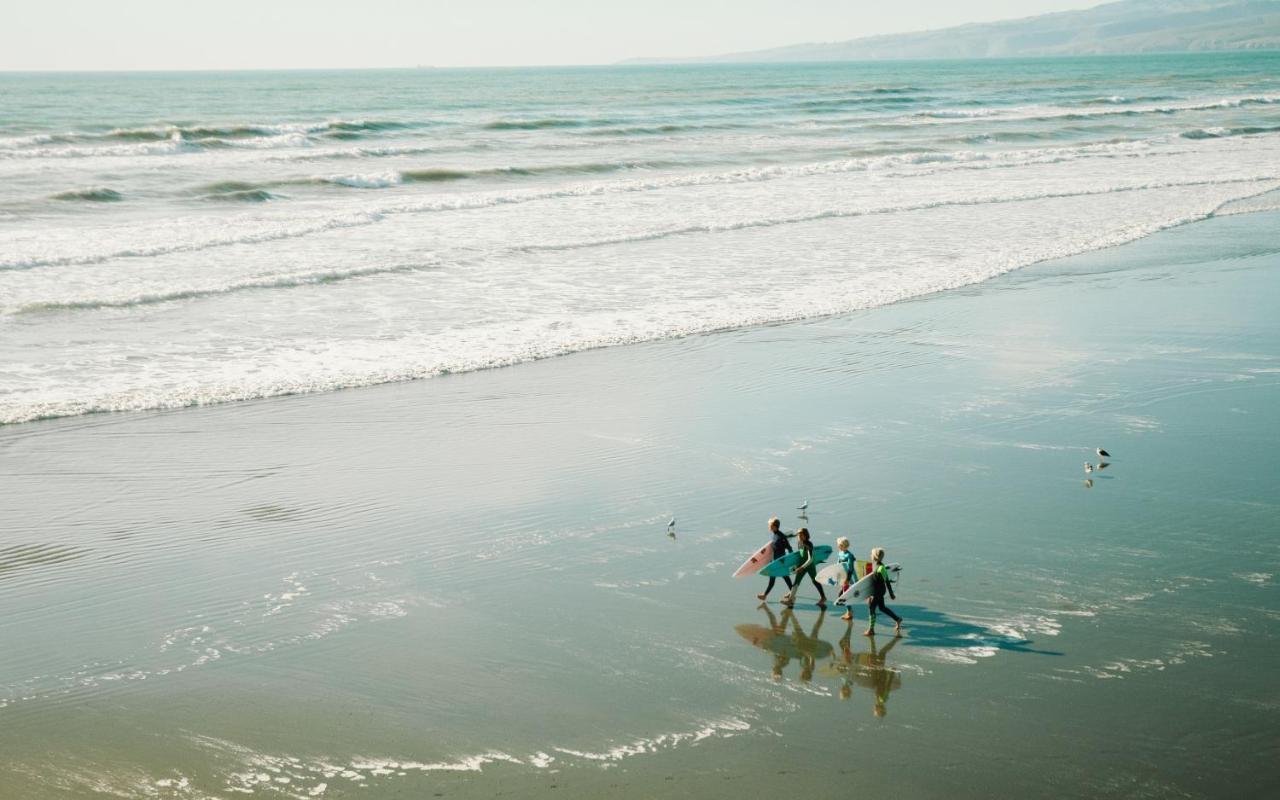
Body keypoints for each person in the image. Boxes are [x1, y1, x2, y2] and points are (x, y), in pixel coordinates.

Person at [782, 528, 827, 609]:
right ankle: (790, 600)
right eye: (799, 535)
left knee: (815, 581)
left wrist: (802, 567)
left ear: (806, 535)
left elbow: (811, 559)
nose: (799, 536)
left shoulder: (809, 544)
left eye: (801, 535)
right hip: (801, 565)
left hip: (809, 566)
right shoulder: (799, 542)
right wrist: (796, 566)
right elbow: (800, 555)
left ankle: (823, 598)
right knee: (796, 582)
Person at [864, 547, 902, 636]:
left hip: (879, 591)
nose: (870, 555)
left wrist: (891, 593)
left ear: (875, 556)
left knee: (871, 608)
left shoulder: (881, 568)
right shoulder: (874, 565)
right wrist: (869, 594)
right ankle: (897, 619)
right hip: (876, 590)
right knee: (882, 608)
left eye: (871, 554)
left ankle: (871, 629)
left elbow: (887, 581)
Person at [756, 517, 794, 601]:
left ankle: (792, 595)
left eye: (770, 525)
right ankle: (765, 595)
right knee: (777, 577)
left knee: (784, 577)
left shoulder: (781, 536)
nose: (769, 526)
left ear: (774, 526)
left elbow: (789, 547)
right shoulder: (774, 534)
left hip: (781, 561)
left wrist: (792, 560)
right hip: (775, 561)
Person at [835, 536, 857, 621]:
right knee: (841, 595)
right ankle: (849, 611)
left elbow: (850, 569)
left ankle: (849, 613)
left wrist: (847, 580)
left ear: (843, 545)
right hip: (843, 578)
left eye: (839, 545)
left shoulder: (849, 555)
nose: (838, 546)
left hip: (848, 578)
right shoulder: (840, 553)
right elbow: (837, 566)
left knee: (844, 596)